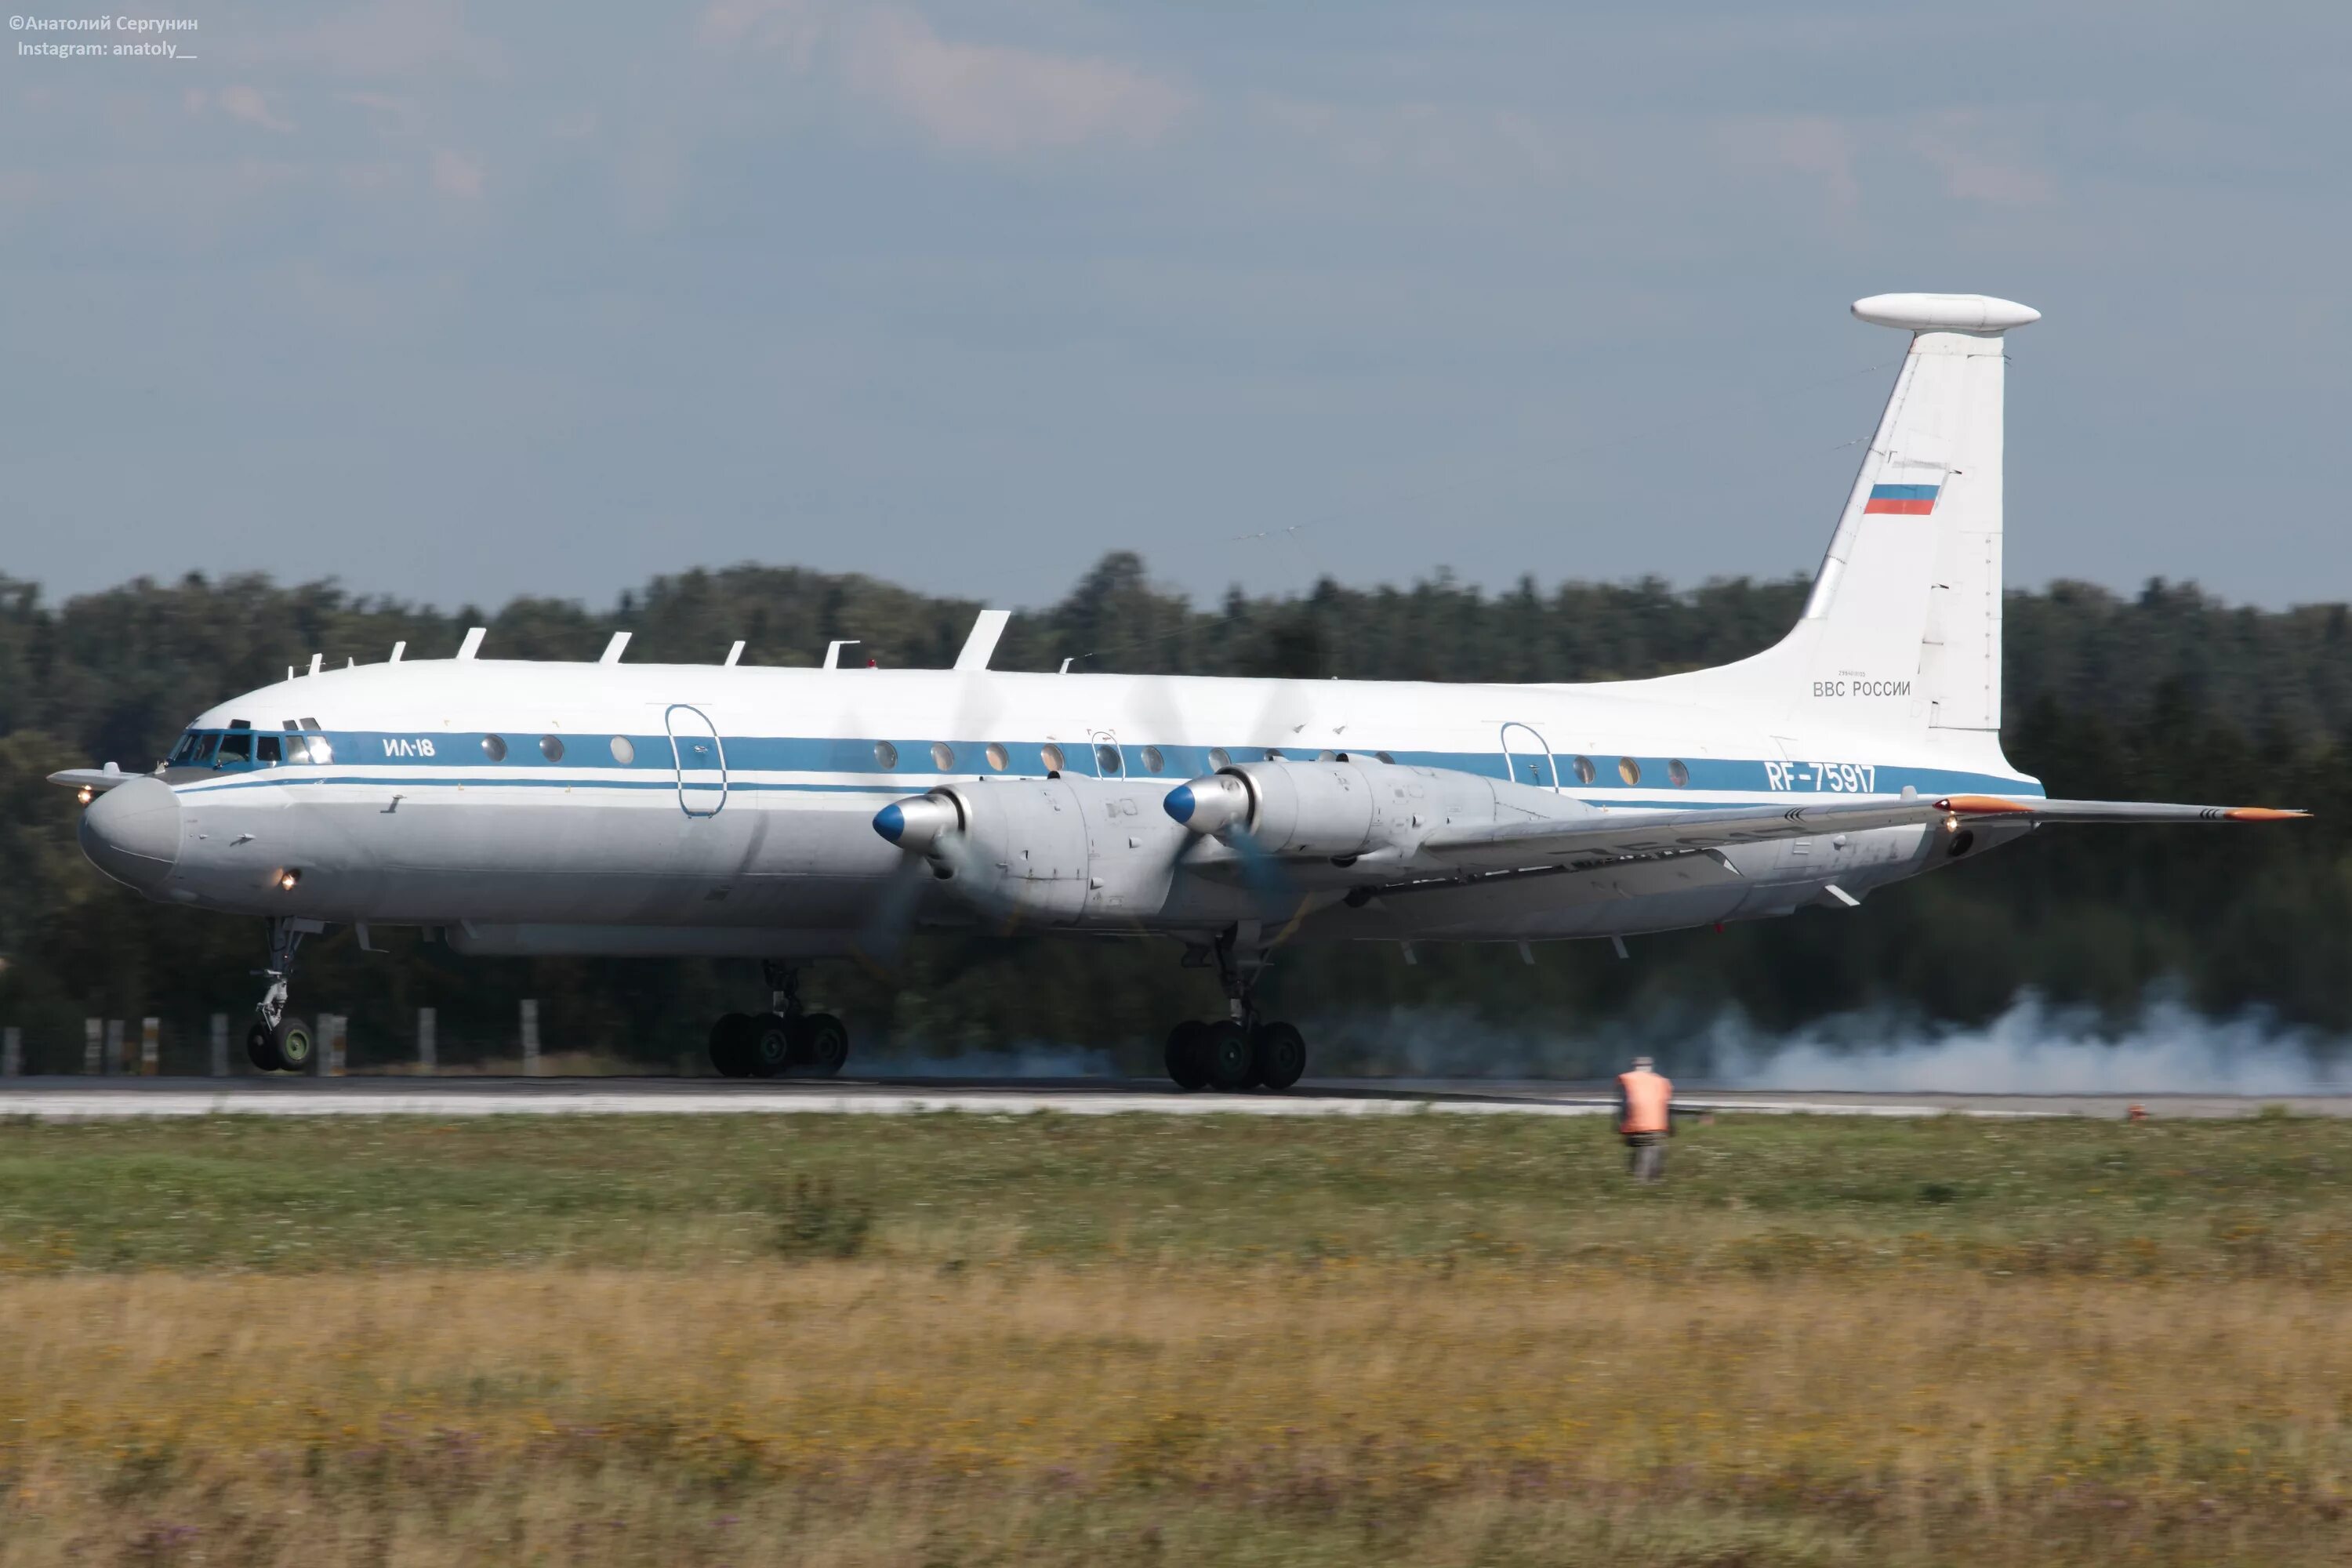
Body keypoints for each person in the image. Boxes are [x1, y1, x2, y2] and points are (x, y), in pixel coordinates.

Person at [1616, 1055, 1673, 1182]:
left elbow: (1624, 1106)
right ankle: (1652, 1182)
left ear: (1634, 1067)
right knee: (1655, 1151)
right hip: (1657, 1128)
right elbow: (1666, 1107)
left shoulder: (1627, 1079)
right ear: (1650, 1067)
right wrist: (1671, 1128)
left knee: (1639, 1150)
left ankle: (1638, 1181)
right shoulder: (1661, 1081)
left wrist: (1619, 1126)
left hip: (1634, 1127)